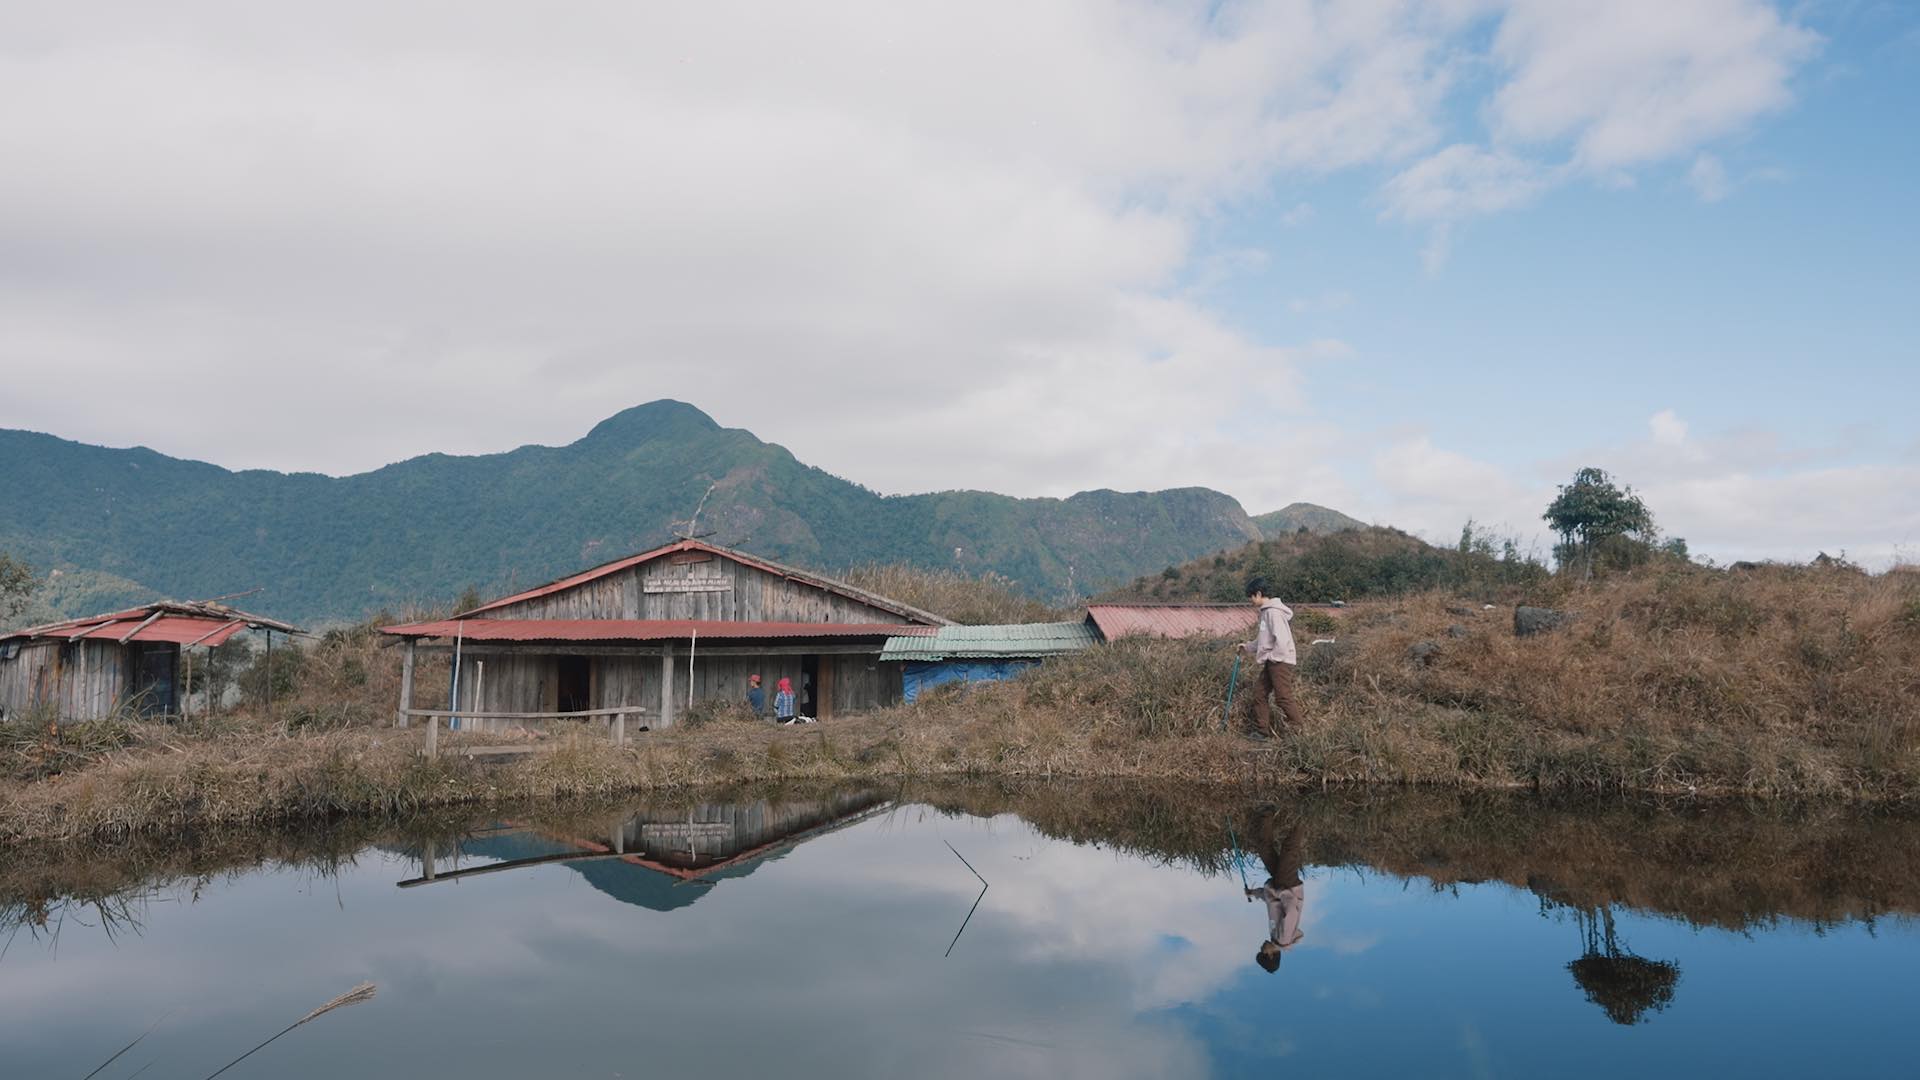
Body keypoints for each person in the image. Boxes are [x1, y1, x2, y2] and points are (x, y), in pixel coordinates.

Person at [1239, 576, 1303, 738]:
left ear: (1259, 594)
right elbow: (1263, 640)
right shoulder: (1266, 612)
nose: (1251, 601)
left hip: (1279, 661)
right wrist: (1247, 647)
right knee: (1259, 694)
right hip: (1272, 660)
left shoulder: (1273, 613)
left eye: (1252, 597)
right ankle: (1262, 732)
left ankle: (1298, 732)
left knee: (1283, 697)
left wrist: (1274, 657)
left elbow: (1282, 639)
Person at [1246, 809, 1307, 974]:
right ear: (1271, 955)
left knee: (1264, 849)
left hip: (1278, 884)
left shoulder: (1274, 935)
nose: (1261, 947)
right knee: (1289, 849)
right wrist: (1280, 891)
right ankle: (1306, 812)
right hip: (1287, 885)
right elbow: (1292, 910)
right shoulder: (1283, 938)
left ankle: (1267, 810)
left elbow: (1270, 901)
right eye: (1262, 952)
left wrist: (1253, 892)